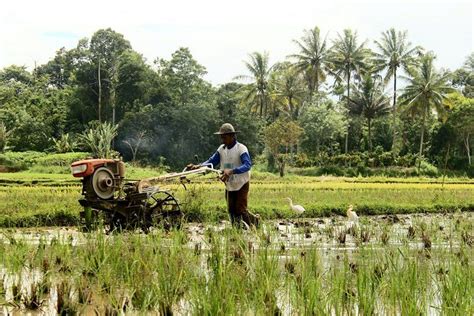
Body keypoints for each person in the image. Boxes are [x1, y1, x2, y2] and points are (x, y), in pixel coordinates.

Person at [188, 123, 259, 228]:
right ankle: (236, 230)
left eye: (224, 137)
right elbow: (211, 161)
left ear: (232, 136)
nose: (222, 140)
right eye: (221, 137)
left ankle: (255, 223)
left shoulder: (241, 148)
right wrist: (198, 166)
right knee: (231, 209)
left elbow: (247, 165)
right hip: (229, 184)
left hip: (241, 182)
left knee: (240, 209)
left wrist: (231, 171)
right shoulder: (221, 149)